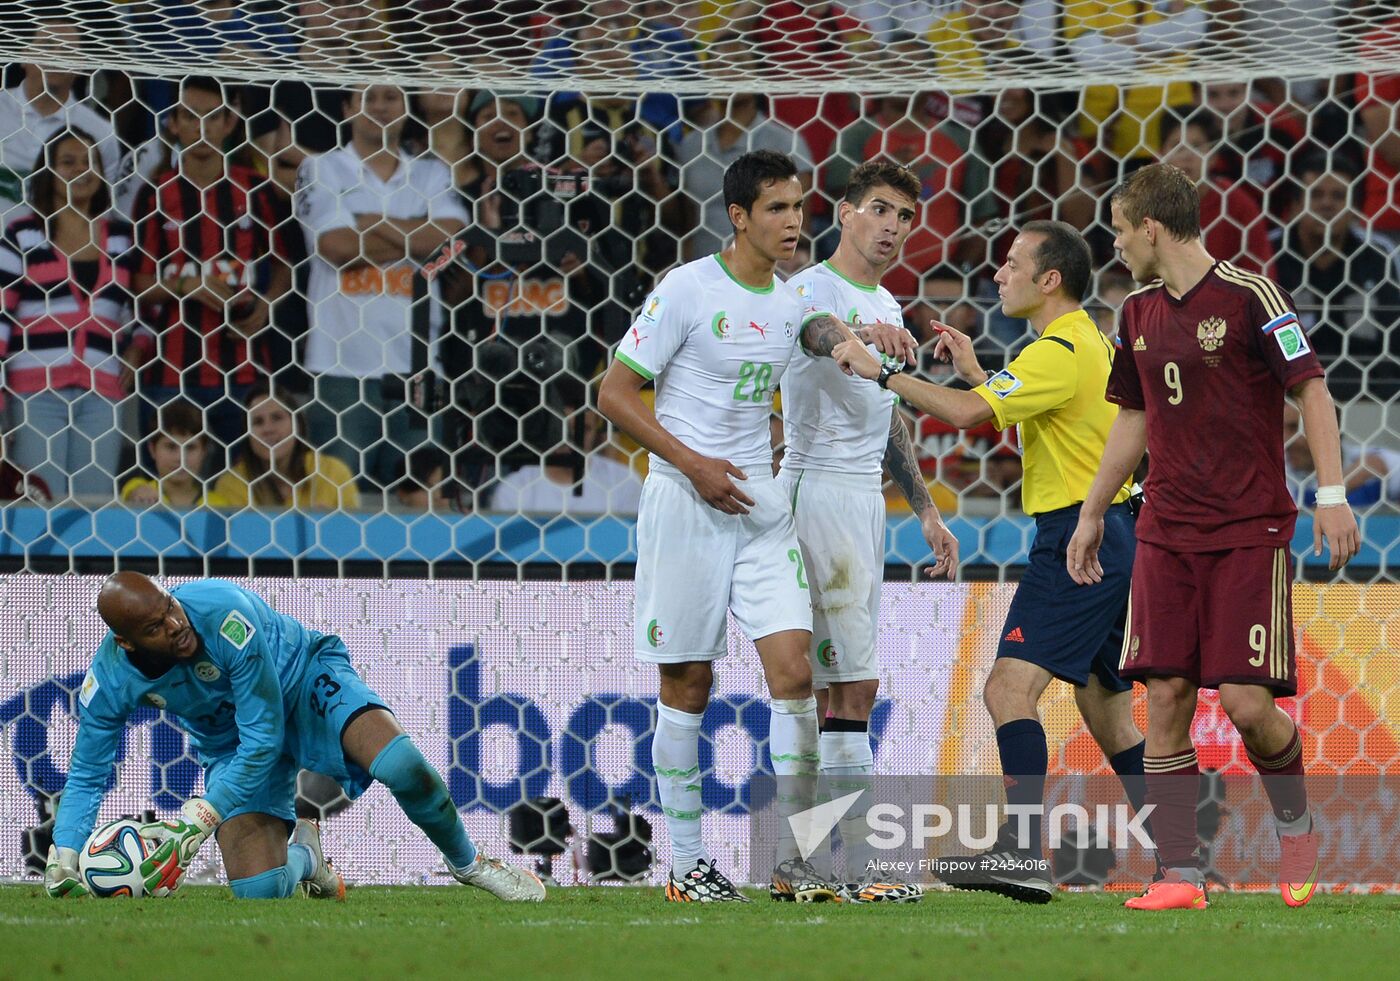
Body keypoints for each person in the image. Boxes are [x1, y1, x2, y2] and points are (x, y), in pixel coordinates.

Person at [596, 149, 913, 903]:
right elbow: (614, 393)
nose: (792, 221)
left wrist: (861, 340)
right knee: (689, 680)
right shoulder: (688, 289)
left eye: (798, 207)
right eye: (776, 208)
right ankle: (686, 865)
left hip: (760, 510)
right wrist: (691, 463)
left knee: (796, 674)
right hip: (687, 503)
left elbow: (820, 330)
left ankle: (795, 863)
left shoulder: (792, 299)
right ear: (739, 216)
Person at [1066, 162, 1360, 910]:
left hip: (1246, 529)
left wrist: (1330, 496)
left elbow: (1311, 389)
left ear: (1150, 229)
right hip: (1165, 529)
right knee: (1165, 694)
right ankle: (1180, 874)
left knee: (1244, 703)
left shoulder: (1251, 296)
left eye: (1120, 231)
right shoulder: (1135, 313)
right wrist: (1094, 510)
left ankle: (1295, 824)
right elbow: (1134, 416)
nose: (1115, 244)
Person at [834, 220, 1153, 903]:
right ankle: (1187, 851)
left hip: (1078, 537)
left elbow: (961, 414)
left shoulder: (1056, 349)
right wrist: (983, 376)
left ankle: (1021, 851)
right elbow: (1051, 417)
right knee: (1108, 711)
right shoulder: (1087, 341)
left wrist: (881, 371)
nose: (998, 275)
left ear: (1049, 279)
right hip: (1115, 530)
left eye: (1012, 264)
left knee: (1008, 691)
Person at [43, 572, 544, 902]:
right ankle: (308, 858)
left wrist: (198, 820)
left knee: (402, 766)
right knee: (258, 892)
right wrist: (64, 857)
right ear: (126, 643)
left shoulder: (224, 614)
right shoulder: (109, 682)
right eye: (156, 626)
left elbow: (264, 738)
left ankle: (471, 865)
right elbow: (87, 772)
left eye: (170, 606)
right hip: (229, 742)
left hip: (302, 680)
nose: (175, 625)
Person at [780, 160, 958, 902]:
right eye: (880, 209)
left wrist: (925, 508)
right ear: (845, 212)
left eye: (906, 216)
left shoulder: (886, 301)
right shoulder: (811, 289)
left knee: (843, 688)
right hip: (815, 490)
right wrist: (860, 336)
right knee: (842, 686)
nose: (893, 226)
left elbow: (884, 419)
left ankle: (802, 863)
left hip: (863, 503)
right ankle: (847, 866)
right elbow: (817, 334)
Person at [296, 82, 468, 492]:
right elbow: (336, 247)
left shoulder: (432, 172)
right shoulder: (319, 168)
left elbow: (452, 240)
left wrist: (370, 221)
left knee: (422, 500)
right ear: (346, 108)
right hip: (340, 369)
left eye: (391, 97)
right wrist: (416, 235)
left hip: (419, 368)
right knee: (339, 501)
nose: (380, 106)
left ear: (407, 108)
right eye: (368, 97)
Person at [128, 76, 291, 454]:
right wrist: (186, 286)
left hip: (245, 371)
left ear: (229, 122)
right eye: (190, 116)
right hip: (170, 371)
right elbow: (139, 283)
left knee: (245, 483)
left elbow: (284, 264)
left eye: (213, 116)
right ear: (173, 123)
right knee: (169, 484)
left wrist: (266, 305)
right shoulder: (155, 193)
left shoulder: (256, 189)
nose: (202, 127)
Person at [0, 128, 135, 501]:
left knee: (94, 505)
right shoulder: (22, 234)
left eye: (90, 162)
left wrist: (139, 345)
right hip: (35, 392)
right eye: (68, 162)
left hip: (102, 391)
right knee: (41, 502)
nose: (81, 170)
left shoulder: (121, 238)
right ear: (48, 172)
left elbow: (139, 306)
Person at [1270, 154, 1400, 400]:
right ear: (1295, 205)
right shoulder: (1271, 253)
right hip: (1286, 391)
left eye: (1338, 196)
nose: (1327, 204)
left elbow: (1393, 337)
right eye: (1316, 195)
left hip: (1368, 394)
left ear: (1355, 209)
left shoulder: (1378, 255)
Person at [0, 14, 121, 224]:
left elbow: (102, 211)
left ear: (81, 65)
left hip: (60, 244)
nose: (56, 57)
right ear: (24, 56)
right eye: (47, 47)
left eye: (67, 51)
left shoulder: (100, 132)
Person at [212, 383, 360, 512]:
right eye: (257, 422)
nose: (268, 429)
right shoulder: (232, 483)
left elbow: (353, 531)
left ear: (297, 425)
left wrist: (332, 526)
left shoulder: (332, 473)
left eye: (277, 418)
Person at [121, 399, 218, 508]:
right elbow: (131, 491)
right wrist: (135, 493)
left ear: (204, 451)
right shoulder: (140, 491)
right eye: (171, 447)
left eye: (190, 448)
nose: (180, 458)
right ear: (152, 449)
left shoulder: (218, 504)